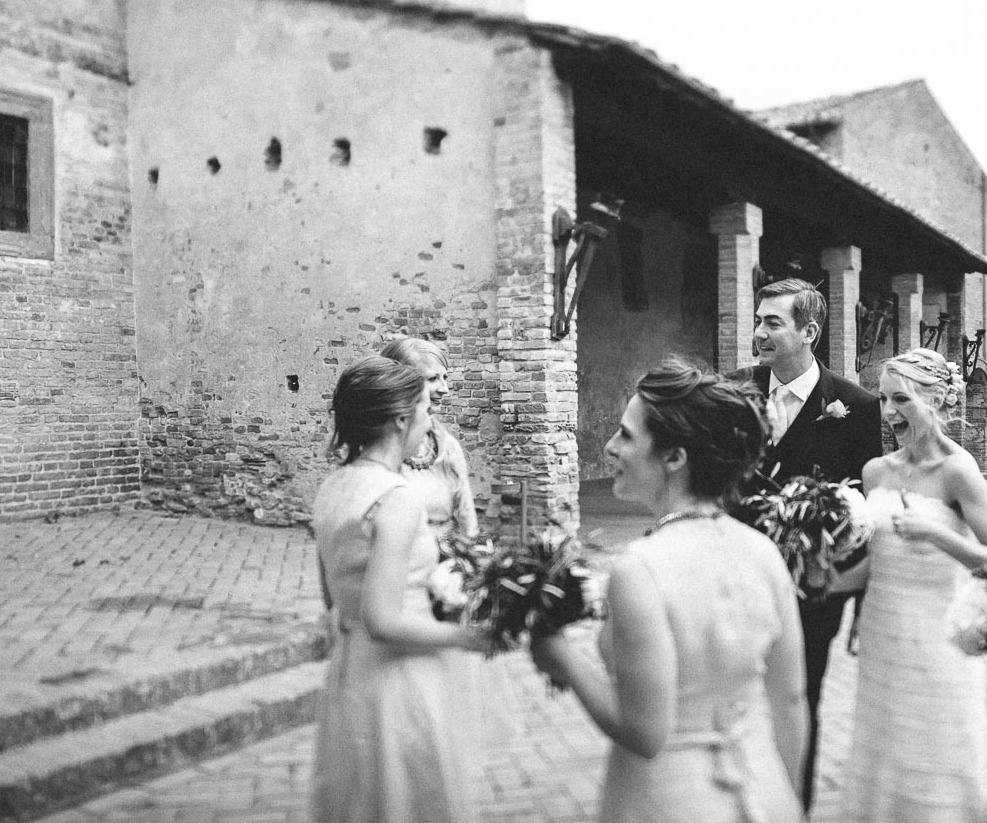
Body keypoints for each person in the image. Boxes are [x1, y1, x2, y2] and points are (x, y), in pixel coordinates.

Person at [531, 358, 808, 823]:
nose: (609, 447)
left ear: (675, 457)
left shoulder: (642, 568)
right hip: (764, 787)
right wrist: (790, 798)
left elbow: (644, 732)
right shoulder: (763, 551)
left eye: (626, 435)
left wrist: (559, 655)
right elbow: (791, 700)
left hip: (669, 799)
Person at [835, 348, 987, 823]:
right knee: (884, 742)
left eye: (903, 400)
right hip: (882, 629)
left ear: (938, 402)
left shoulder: (958, 471)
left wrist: (937, 535)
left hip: (938, 632)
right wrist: (826, 582)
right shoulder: (876, 471)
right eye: (884, 400)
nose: (890, 412)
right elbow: (874, 560)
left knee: (935, 744)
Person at [311, 356, 488, 823]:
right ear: (400, 419)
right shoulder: (397, 496)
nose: (429, 421)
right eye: (425, 409)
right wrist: (469, 637)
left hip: (351, 670)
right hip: (398, 678)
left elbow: (335, 601)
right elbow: (384, 621)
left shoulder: (334, 487)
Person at [744, 278, 881, 811]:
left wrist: (859, 600)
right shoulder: (736, 392)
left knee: (800, 700)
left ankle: (791, 806)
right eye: (758, 320)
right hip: (742, 581)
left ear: (810, 332)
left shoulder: (855, 405)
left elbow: (865, 511)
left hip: (813, 591)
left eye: (772, 322)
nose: (759, 332)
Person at [380, 336, 478, 538]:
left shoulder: (447, 447)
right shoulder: (376, 447)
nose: (445, 389)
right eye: (433, 379)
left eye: (445, 378)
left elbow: (467, 518)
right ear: (401, 383)